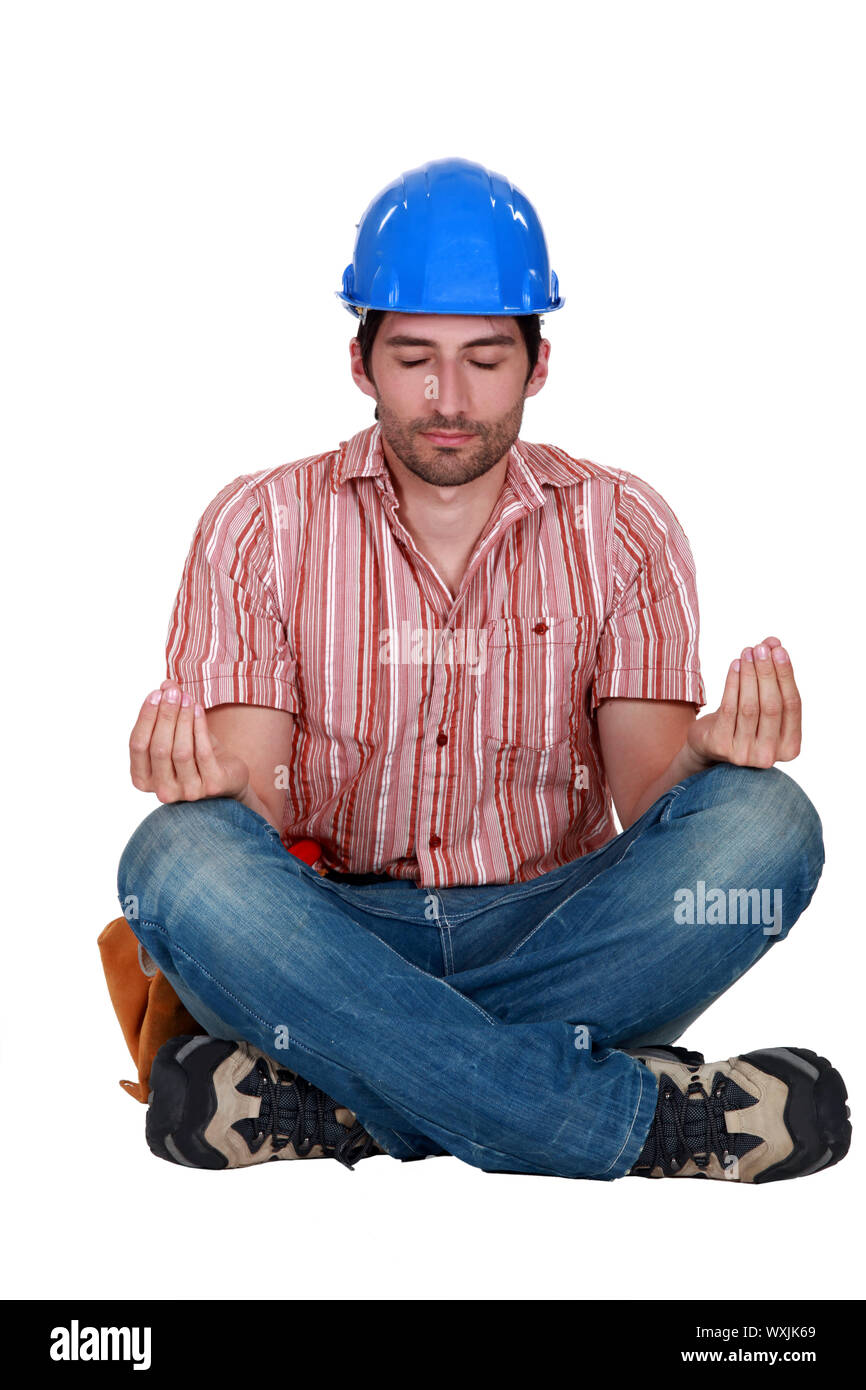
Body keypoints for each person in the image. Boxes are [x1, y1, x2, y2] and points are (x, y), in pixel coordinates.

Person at [117, 156, 850, 1182]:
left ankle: (340, 1098)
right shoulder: (261, 524)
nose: (447, 396)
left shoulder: (622, 526)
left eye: (484, 358)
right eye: (413, 356)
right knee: (175, 857)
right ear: (360, 360)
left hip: (556, 925)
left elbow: (649, 807)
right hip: (331, 929)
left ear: (536, 363)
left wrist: (705, 758)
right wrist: (218, 786)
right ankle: (649, 1121)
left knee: (766, 823)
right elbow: (254, 791)